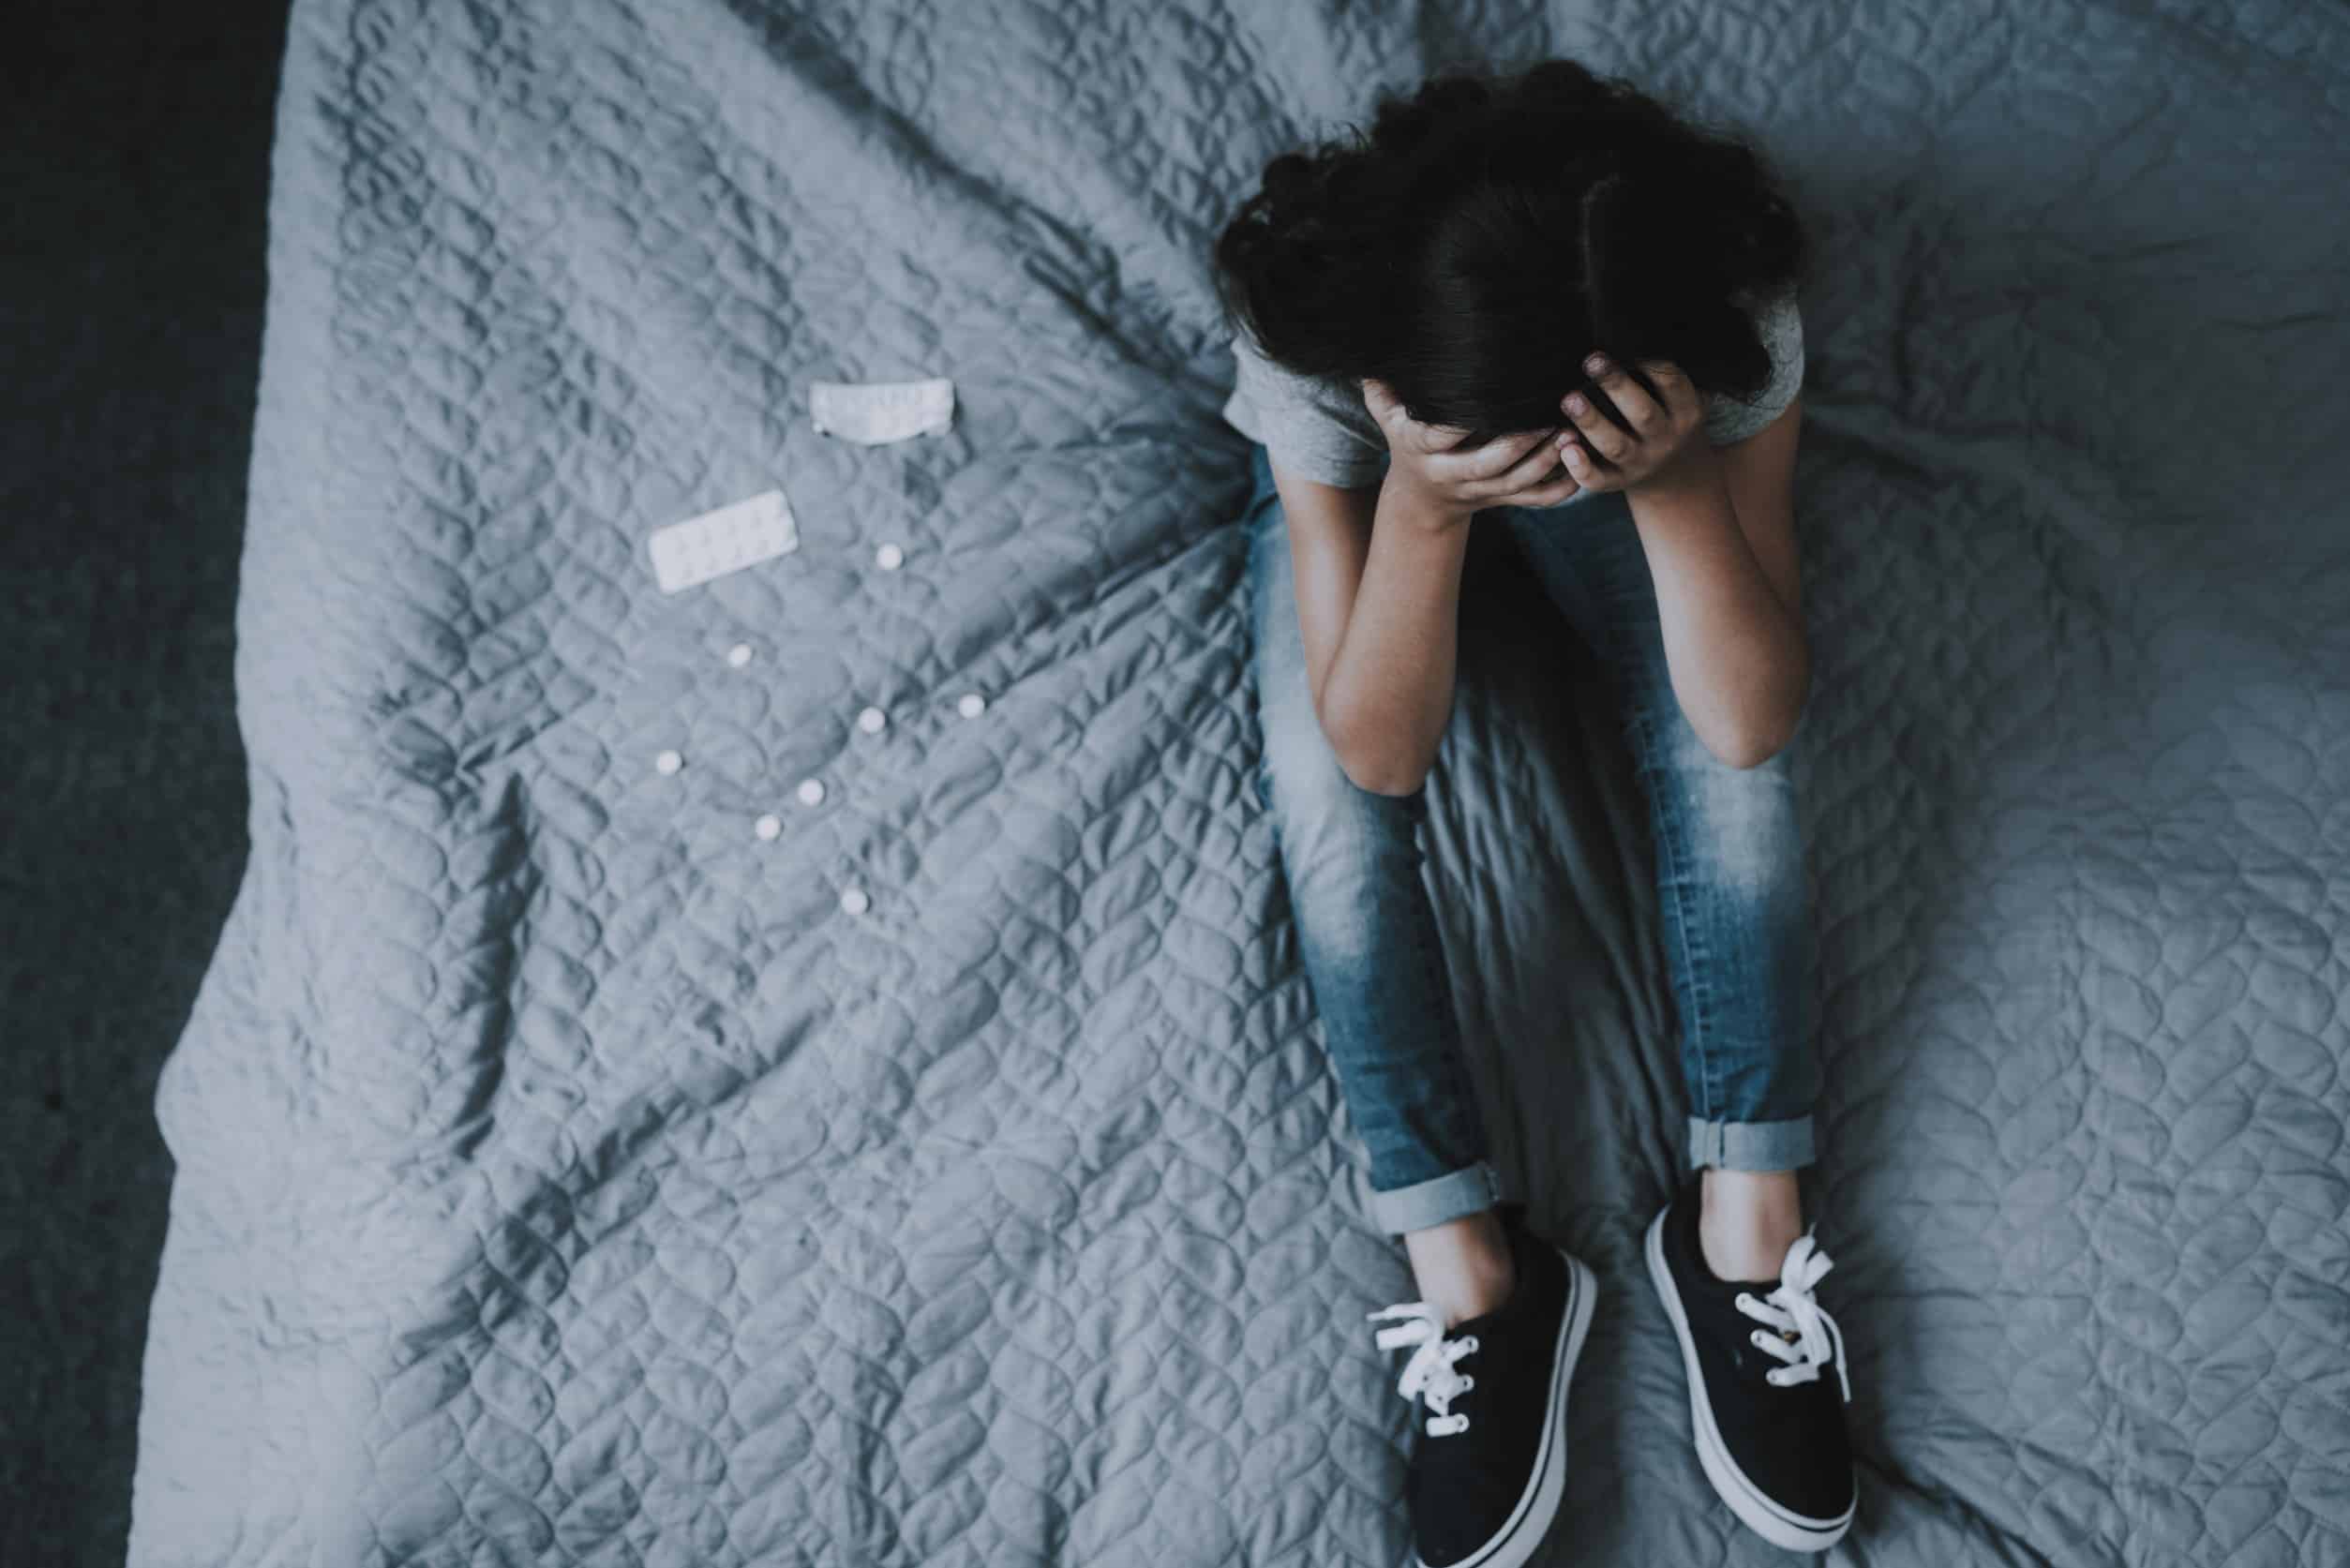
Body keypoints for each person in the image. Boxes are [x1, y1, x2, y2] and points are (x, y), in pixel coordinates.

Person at [1210, 58, 1855, 1564]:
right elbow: (1374, 756)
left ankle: (1745, 1229)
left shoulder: (1728, 318)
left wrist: (1674, 482)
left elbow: (1751, 720)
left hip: (1657, 458)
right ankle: (1475, 1276)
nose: (1542, 487)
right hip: (1394, 484)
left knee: (1744, 772)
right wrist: (1430, 505)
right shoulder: (1328, 350)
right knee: (1319, 793)